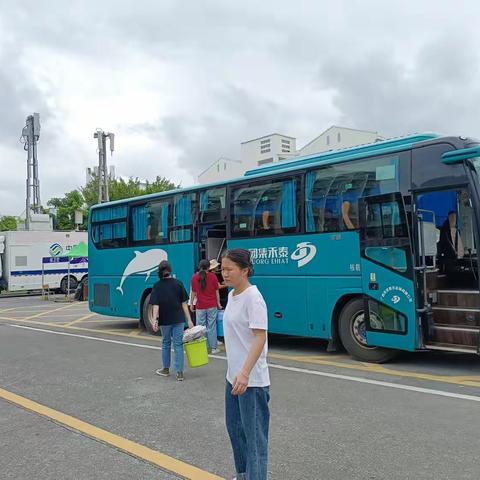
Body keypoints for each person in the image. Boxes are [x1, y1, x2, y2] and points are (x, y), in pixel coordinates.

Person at [222, 249, 270, 480]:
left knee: (255, 439)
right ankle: (243, 475)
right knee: (235, 430)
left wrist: (245, 372)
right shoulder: (231, 296)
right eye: (222, 269)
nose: (224, 274)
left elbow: (259, 337)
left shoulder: (254, 297)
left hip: (250, 380)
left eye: (229, 269)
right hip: (233, 377)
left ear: (245, 270)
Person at [150, 260, 193, 381]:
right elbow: (184, 304)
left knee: (166, 343)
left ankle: (165, 369)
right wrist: (189, 320)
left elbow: (155, 306)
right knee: (178, 344)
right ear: (170, 270)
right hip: (178, 319)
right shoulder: (178, 284)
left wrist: (154, 320)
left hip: (165, 320)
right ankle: (179, 373)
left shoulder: (157, 286)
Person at [191, 259, 222, 354]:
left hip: (200, 306)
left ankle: (202, 348)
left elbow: (193, 292)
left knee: (200, 327)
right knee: (211, 326)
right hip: (212, 305)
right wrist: (219, 304)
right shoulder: (213, 277)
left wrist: (192, 304)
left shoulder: (194, 277)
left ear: (200, 267)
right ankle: (213, 348)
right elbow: (217, 291)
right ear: (209, 267)